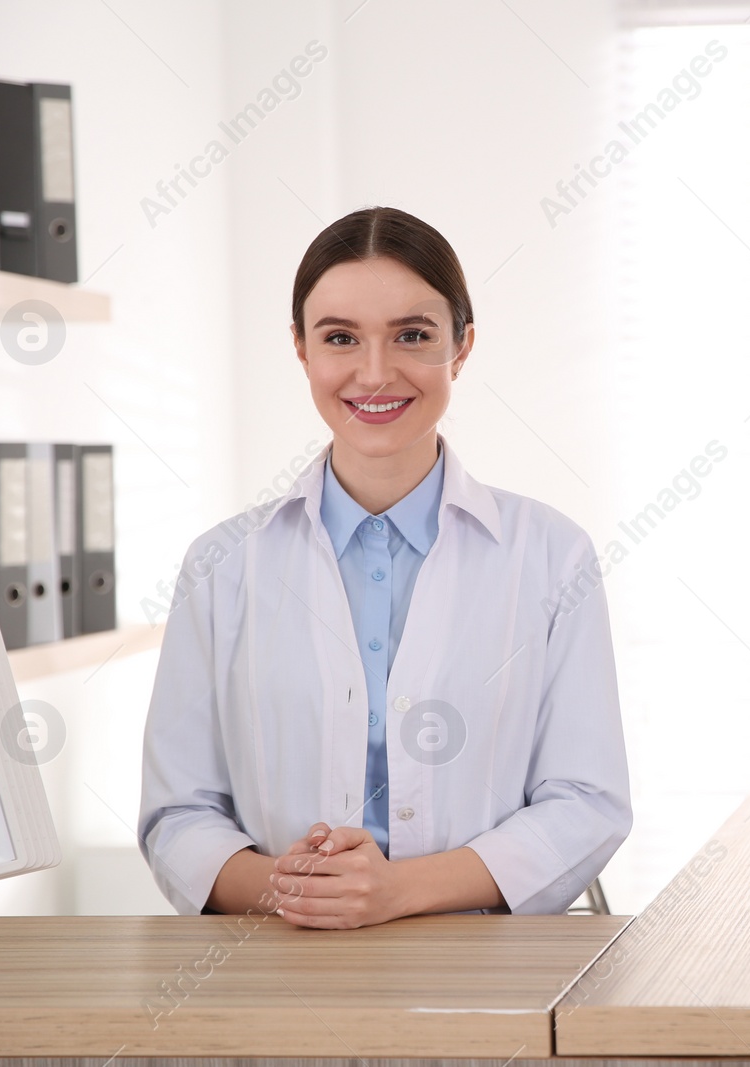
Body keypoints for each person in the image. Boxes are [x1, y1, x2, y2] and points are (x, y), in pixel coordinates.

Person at [138, 206, 632, 928]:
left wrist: (397, 891)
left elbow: (587, 803)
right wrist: (300, 888)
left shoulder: (553, 554)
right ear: (302, 350)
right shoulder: (222, 565)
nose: (375, 372)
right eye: (341, 337)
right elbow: (178, 814)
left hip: (485, 967)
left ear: (460, 348)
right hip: (280, 967)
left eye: (413, 335)